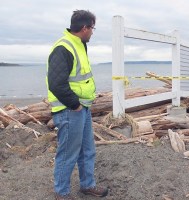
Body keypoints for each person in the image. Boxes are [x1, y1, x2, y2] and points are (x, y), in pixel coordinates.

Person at [47, 10, 108, 200]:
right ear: (84, 28)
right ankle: (62, 193)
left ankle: (87, 185)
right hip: (70, 110)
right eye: (92, 28)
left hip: (82, 109)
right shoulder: (63, 48)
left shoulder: (79, 44)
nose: (92, 32)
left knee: (87, 149)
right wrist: (75, 105)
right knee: (67, 153)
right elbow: (56, 83)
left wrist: (82, 106)